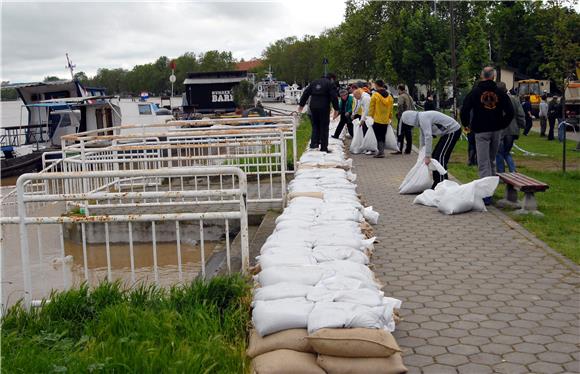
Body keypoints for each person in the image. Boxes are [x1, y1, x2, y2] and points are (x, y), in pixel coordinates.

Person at [460, 67, 514, 204]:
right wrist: (502, 124)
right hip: (496, 130)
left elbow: (464, 109)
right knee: (492, 161)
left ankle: (486, 195)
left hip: (481, 130)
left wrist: (466, 124)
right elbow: (510, 111)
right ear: (494, 76)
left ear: (481, 75)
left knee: (483, 163)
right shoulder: (500, 93)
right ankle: (491, 190)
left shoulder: (475, 92)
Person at [400, 110, 462, 188]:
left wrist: (427, 156)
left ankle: (442, 183)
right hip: (447, 133)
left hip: (453, 130)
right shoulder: (421, 118)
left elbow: (428, 136)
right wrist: (421, 152)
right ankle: (437, 182)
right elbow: (422, 136)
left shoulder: (423, 118)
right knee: (436, 156)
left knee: (440, 157)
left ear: (410, 120)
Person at [298, 73, 339, 152]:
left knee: (315, 125)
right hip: (324, 107)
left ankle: (314, 144)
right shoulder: (330, 84)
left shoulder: (314, 82)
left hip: (313, 106)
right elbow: (334, 97)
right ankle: (323, 148)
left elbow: (306, 93)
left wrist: (301, 105)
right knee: (324, 127)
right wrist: (336, 109)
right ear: (332, 79)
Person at [496, 82, 525, 173]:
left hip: (499, 130)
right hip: (512, 130)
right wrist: (522, 125)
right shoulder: (514, 99)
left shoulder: (494, 100)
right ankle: (513, 171)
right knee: (506, 152)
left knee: (499, 153)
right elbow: (520, 114)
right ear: (506, 89)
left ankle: (501, 174)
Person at [368, 80, 394, 158]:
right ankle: (382, 151)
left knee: (377, 135)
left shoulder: (375, 95)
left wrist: (370, 116)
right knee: (383, 135)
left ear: (376, 85)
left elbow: (372, 107)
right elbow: (391, 108)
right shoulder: (389, 96)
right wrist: (390, 116)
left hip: (377, 119)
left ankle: (380, 152)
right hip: (385, 119)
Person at [394, 84, 414, 155]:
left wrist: (399, 115)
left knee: (400, 133)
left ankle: (399, 149)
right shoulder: (409, 96)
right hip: (410, 117)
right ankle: (408, 149)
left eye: (397, 90)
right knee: (408, 133)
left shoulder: (401, 96)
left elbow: (400, 106)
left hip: (403, 117)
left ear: (399, 89)